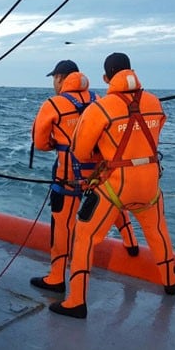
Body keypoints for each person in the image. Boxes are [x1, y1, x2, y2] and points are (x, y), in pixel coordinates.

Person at [50, 52, 175, 319]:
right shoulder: (155, 102)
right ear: (131, 71)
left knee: (84, 235)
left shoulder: (101, 108)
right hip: (150, 184)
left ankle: (76, 301)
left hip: (115, 187)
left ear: (106, 78)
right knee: (157, 232)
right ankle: (170, 281)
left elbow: (81, 151)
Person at [30, 60, 139, 293]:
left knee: (63, 227)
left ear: (60, 78)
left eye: (53, 79)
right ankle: (132, 244)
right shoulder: (99, 100)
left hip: (68, 178)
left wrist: (58, 143)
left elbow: (40, 143)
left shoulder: (53, 104)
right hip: (100, 176)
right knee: (115, 205)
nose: (53, 83)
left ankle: (57, 277)